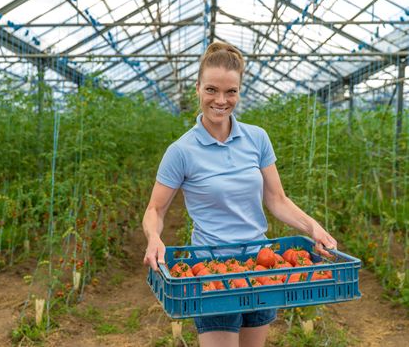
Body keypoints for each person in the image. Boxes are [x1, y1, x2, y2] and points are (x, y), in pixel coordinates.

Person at [142, 41, 338, 347]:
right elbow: (155, 209)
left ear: (239, 91)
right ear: (198, 89)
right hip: (211, 272)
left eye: (230, 91)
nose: (221, 100)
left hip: (261, 266)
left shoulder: (257, 139)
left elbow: (277, 199)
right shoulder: (181, 151)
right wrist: (154, 238)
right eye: (211, 90)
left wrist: (314, 228)